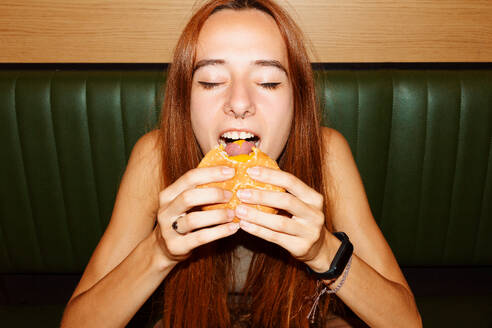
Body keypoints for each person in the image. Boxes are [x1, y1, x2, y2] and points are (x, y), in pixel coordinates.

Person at [60, 0, 422, 327]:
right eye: (211, 80)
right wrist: (159, 250)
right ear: (185, 100)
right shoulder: (155, 157)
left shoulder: (327, 152)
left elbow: (407, 322)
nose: (239, 102)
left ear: (297, 99)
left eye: (267, 82)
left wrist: (322, 250)